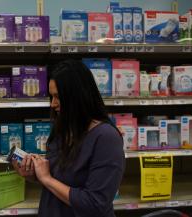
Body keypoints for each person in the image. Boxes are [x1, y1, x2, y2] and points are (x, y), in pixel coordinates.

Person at [12, 59, 125, 217]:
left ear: (77, 97)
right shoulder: (63, 128)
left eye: (58, 97)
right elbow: (59, 177)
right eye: (51, 97)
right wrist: (33, 173)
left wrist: (46, 179)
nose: (53, 104)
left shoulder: (106, 138)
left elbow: (95, 204)